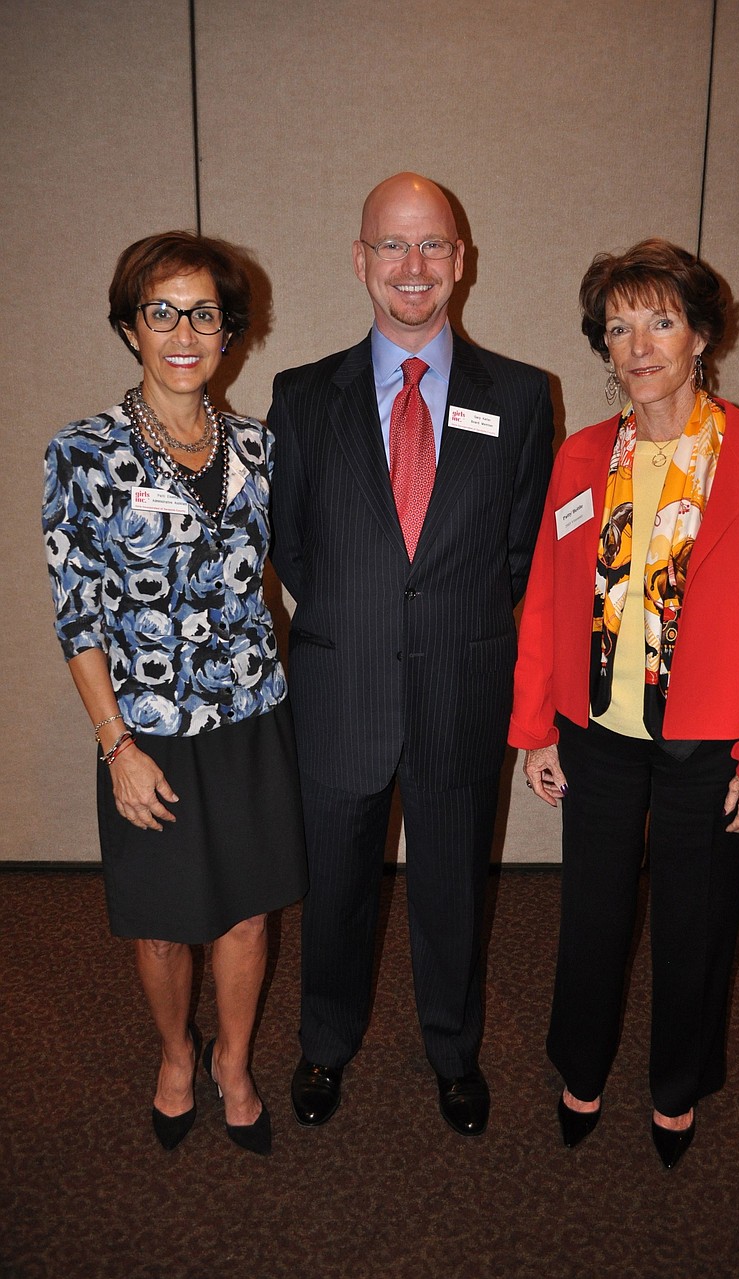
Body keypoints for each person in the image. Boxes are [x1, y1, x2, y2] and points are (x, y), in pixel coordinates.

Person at [509, 239, 739, 1168]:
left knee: (696, 924)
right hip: (597, 733)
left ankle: (677, 1086)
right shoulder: (580, 459)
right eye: (618, 326)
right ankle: (581, 1068)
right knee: (591, 917)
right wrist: (532, 728)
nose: (638, 345)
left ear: (701, 334)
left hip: (710, 746)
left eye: (661, 321)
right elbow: (547, 598)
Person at [269, 172, 553, 1135]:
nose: (413, 267)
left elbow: (518, 554)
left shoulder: (518, 395)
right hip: (342, 685)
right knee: (337, 887)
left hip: (459, 687)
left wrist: (446, 624)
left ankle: (453, 1051)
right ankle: (325, 1043)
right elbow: (293, 544)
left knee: (451, 890)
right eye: (392, 245)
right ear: (360, 260)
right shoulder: (301, 396)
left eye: (433, 245)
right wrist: (364, 617)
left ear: (461, 261)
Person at [43, 231, 307, 1156]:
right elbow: (77, 618)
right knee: (161, 923)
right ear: (130, 328)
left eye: (205, 313)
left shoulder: (258, 448)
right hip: (147, 729)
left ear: (230, 331)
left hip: (249, 719)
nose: (184, 332)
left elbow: (283, 577)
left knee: (245, 912)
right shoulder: (82, 454)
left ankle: (232, 1060)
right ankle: (175, 1056)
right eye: (162, 312)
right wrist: (116, 745)